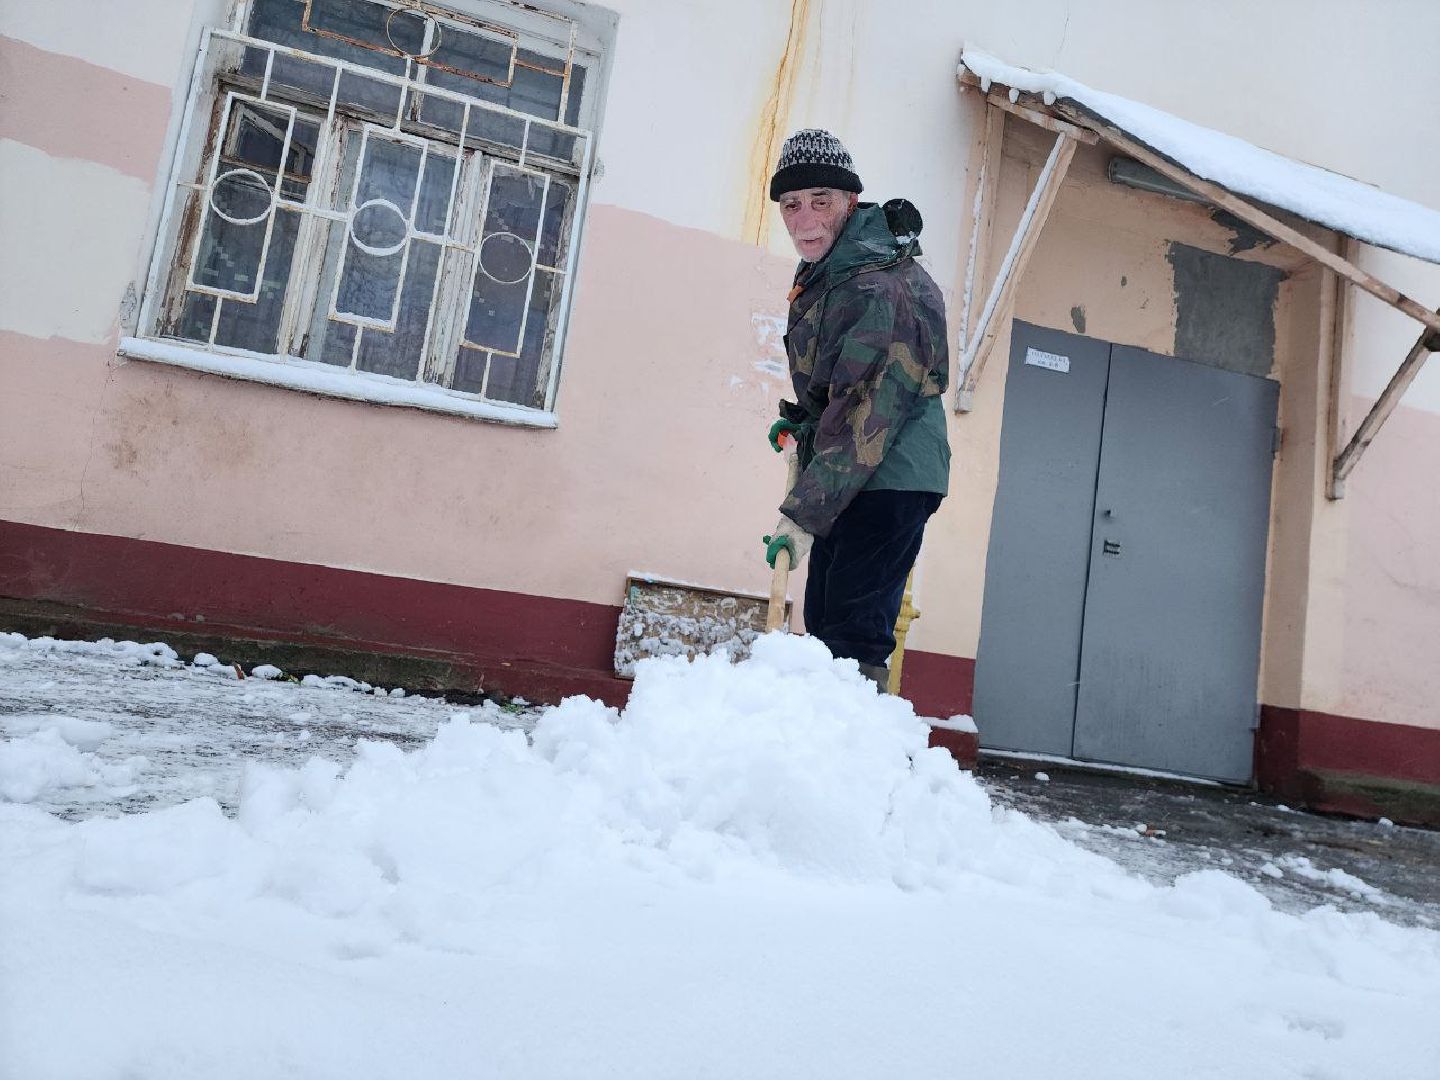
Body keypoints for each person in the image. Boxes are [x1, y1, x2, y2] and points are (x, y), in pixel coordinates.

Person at [761, 128, 951, 690]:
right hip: (853, 472)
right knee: (822, 628)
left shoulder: (877, 286)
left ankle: (856, 757)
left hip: (887, 475)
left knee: (849, 636)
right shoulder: (836, 270)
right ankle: (822, 754)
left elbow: (868, 412)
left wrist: (799, 514)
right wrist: (803, 422)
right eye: (791, 205)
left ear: (851, 201)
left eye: (821, 201)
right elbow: (840, 384)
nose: (805, 219)